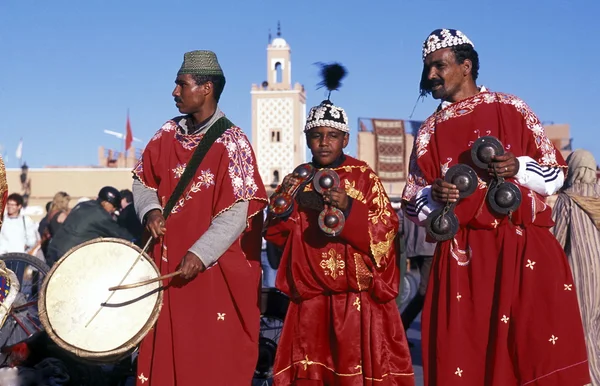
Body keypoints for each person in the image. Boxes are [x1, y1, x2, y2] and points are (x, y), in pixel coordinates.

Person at [402, 29, 590, 385]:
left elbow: (556, 173)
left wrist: (518, 167)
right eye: (427, 68)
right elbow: (412, 200)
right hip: (462, 261)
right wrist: (434, 197)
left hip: (520, 249)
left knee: (533, 351)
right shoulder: (429, 130)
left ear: (466, 66)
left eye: (438, 66)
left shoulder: (512, 108)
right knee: (469, 357)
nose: (430, 76)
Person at [264, 63, 414, 385]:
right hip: (311, 302)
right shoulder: (298, 178)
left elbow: (386, 230)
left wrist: (350, 208)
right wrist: (281, 207)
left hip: (357, 303)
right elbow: (276, 235)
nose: (324, 142)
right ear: (307, 139)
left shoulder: (363, 176)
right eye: (316, 136)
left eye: (332, 136)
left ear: (345, 139)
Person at [131, 50, 267, 385]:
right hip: (165, 269)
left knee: (207, 357)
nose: (174, 92)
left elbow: (239, 208)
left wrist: (200, 253)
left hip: (209, 273)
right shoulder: (165, 134)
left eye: (182, 84)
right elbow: (142, 180)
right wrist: (149, 209)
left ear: (206, 88)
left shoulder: (233, 143)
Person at [552, 149, 600, 385]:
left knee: (583, 329)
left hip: (582, 273)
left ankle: (589, 379)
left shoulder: (567, 200)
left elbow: (556, 242)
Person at [46, 186, 132, 266]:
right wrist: (135, 238)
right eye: (114, 206)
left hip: (53, 249)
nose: (114, 210)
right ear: (105, 203)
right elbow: (119, 233)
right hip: (68, 256)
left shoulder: (84, 205)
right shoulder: (100, 215)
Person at [399, 210, 435, 340]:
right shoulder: (430, 193)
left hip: (416, 247)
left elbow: (399, 222)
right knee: (426, 292)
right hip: (430, 247)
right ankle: (401, 328)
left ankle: (401, 328)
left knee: (426, 291)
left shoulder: (411, 195)